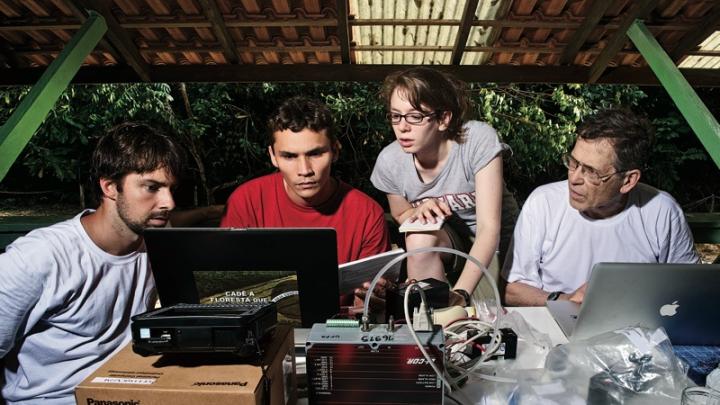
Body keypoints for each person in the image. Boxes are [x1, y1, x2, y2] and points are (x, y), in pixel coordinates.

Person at [0, 123, 184, 404]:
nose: (168, 202)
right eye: (152, 187)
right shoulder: (37, 258)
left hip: (130, 392)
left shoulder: (158, 242)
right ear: (110, 186)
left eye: (171, 189)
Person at [503, 108, 699, 306]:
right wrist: (565, 301)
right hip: (554, 330)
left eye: (591, 172)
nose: (574, 178)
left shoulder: (662, 212)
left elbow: (692, 287)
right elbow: (513, 290)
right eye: (573, 162)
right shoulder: (543, 203)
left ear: (628, 181)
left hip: (637, 331)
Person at [221, 96, 390, 305]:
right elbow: (228, 291)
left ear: (335, 151)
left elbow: (363, 310)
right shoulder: (246, 201)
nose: (305, 170)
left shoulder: (367, 213)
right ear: (273, 156)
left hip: (335, 331)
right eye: (289, 156)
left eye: (316, 153)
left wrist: (376, 300)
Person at [371, 67, 514, 306]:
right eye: (396, 116)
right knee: (417, 237)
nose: (402, 127)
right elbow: (400, 213)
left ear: (443, 119)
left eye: (415, 116)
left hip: (500, 243)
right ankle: (434, 318)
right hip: (451, 242)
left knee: (493, 317)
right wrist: (418, 211)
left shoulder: (476, 140)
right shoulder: (389, 162)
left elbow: (489, 228)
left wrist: (461, 294)